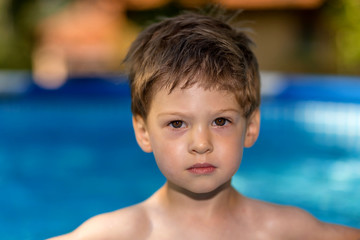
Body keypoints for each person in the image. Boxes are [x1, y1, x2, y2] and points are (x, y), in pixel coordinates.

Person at [48, 10, 360, 240]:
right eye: (177, 123)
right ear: (143, 132)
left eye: (221, 121)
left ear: (251, 127)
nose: (201, 143)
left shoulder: (284, 230)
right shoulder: (119, 234)